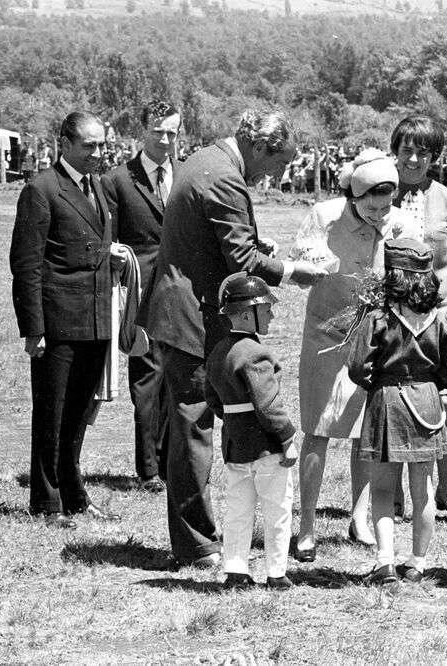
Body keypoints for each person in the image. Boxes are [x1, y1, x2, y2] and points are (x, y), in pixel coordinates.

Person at [141, 108, 326, 568]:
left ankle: (201, 536)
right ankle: (196, 544)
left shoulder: (204, 160)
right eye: (278, 163)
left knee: (193, 425)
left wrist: (259, 250)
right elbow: (238, 257)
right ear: (260, 146)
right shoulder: (225, 178)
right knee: (193, 428)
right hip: (190, 318)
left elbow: (219, 241)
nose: (275, 175)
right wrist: (290, 271)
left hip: (184, 310)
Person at [288, 149, 410, 559]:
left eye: (386, 204)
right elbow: (305, 258)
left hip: (372, 337)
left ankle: (359, 518)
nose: (379, 212)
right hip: (326, 332)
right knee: (318, 428)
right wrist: (320, 260)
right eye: (370, 205)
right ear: (354, 197)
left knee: (364, 431)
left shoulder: (400, 220)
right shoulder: (325, 215)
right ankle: (305, 526)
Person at [10, 111, 120, 528]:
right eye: (89, 145)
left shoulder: (99, 187)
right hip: (58, 323)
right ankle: (46, 500)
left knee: (78, 414)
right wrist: (33, 328)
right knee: (52, 413)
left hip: (95, 318)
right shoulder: (41, 189)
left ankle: (74, 493)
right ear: (65, 143)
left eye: (102, 145)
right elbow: (26, 264)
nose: (98, 152)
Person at [347, 238, 447, 585]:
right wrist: (430, 383)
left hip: (388, 399)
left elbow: (356, 366)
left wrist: (376, 383)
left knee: (383, 488)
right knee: (423, 488)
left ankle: (384, 563)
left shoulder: (378, 318)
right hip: (427, 401)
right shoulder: (440, 319)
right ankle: (417, 563)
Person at [391, 115, 447, 523]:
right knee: (391, 399)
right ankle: (390, 494)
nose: (413, 158)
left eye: (422, 152)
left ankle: (444, 489)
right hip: (391, 312)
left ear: (434, 157)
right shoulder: (379, 191)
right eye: (406, 149)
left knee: (443, 399)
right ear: (394, 150)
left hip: (441, 313)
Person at [101, 100, 181, 492]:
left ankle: (171, 463)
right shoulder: (117, 180)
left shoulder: (185, 175)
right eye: (157, 132)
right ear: (142, 132)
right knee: (147, 379)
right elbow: (107, 239)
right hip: (140, 293)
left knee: (177, 378)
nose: (165, 140)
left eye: (172, 133)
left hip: (182, 294)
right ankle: (148, 468)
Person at [204, 273, 299, 591]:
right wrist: (286, 436)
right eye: (265, 309)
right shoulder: (255, 353)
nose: (271, 314)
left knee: (238, 509)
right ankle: (276, 573)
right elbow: (268, 404)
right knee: (278, 509)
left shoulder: (219, 351)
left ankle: (235, 569)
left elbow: (212, 398)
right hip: (266, 445)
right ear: (246, 313)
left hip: (235, 442)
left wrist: (232, 419)